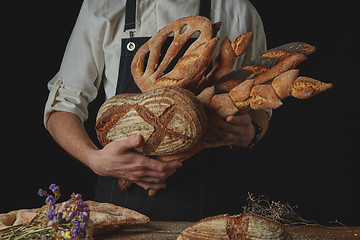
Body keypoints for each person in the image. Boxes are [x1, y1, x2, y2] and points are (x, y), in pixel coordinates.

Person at [44, 0, 270, 221]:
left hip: (210, 213)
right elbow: (62, 106)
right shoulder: (102, 6)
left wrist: (251, 132)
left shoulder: (238, 10)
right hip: (117, 213)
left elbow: (262, 103)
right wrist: (93, 159)